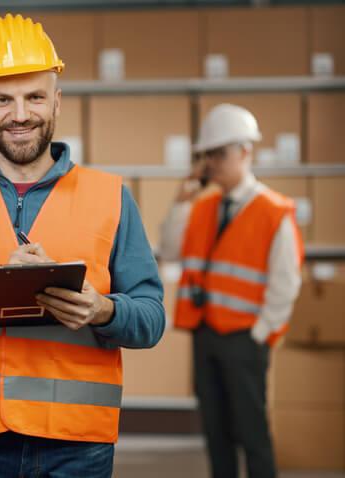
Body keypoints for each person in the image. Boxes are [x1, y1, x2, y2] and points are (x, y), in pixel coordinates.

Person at [0, 14, 165, 477]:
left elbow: (151, 318)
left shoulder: (110, 196)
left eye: (34, 97)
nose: (20, 115)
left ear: (56, 101)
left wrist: (102, 311)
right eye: (2, 99)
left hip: (77, 447)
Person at [159, 103, 304, 478]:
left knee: (253, 436)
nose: (211, 163)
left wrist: (260, 334)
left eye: (219, 153)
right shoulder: (203, 207)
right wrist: (182, 199)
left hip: (245, 340)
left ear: (245, 151)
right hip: (206, 336)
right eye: (207, 155)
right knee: (216, 436)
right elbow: (171, 250)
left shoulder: (273, 211)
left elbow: (286, 282)